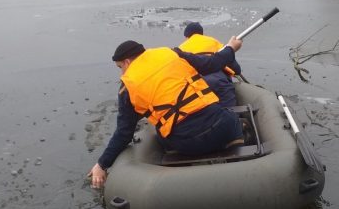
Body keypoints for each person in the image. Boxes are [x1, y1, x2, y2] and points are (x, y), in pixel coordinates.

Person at [88, 36, 244, 188]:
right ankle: (238, 155)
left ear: (127, 62)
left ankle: (180, 173)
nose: (122, 73)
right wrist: (231, 47)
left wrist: (102, 164)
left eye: (120, 67)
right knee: (230, 117)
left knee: (161, 133)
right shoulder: (173, 53)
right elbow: (212, 63)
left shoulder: (126, 87)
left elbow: (124, 133)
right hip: (221, 129)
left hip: (184, 144)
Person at [179, 22, 241, 107]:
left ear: (186, 36)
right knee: (230, 111)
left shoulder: (181, 48)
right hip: (219, 82)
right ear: (202, 33)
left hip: (196, 85)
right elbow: (236, 69)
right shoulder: (214, 42)